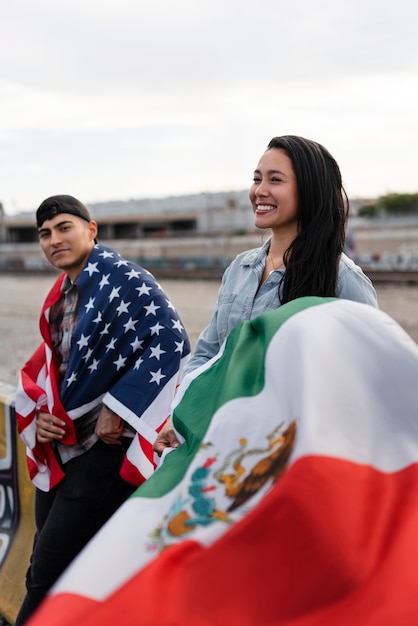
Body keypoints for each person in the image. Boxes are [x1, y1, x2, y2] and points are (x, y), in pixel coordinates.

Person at [14, 195, 190, 625]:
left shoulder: (124, 279)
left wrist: (120, 405)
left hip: (102, 450)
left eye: (63, 227)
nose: (54, 239)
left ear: (91, 229)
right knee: (51, 561)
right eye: (44, 234)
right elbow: (58, 368)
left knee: (47, 571)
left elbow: (171, 340)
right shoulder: (62, 295)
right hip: (64, 446)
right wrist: (44, 412)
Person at [154, 134, 378, 455]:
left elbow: (365, 383)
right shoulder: (240, 268)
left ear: (310, 190)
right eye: (257, 179)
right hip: (223, 444)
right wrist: (180, 418)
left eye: (276, 180)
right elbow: (208, 354)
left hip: (291, 452)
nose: (260, 190)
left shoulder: (343, 280)